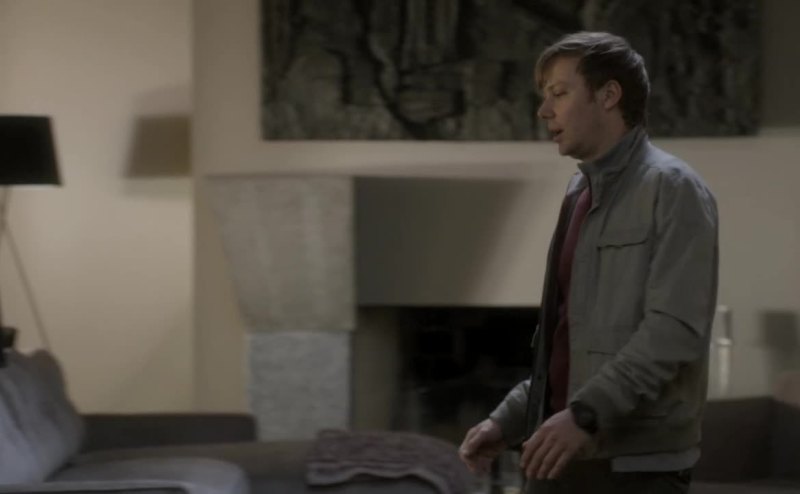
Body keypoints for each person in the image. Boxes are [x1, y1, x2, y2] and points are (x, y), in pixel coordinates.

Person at [459, 31, 718, 493]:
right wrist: (511, 418)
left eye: (559, 93)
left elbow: (674, 329)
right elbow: (567, 337)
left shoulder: (673, 188)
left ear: (608, 95)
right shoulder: (579, 193)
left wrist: (585, 414)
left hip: (633, 467)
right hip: (558, 454)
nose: (544, 111)